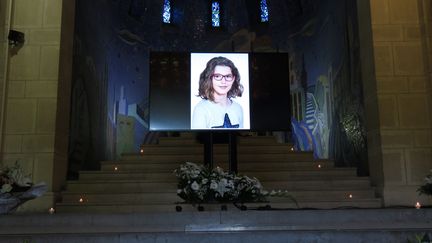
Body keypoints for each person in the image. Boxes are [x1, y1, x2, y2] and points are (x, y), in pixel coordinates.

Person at [192, 56, 244, 129]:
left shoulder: (238, 108)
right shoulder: (201, 109)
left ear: (233, 79)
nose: (223, 81)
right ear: (209, 78)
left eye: (228, 76)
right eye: (217, 76)